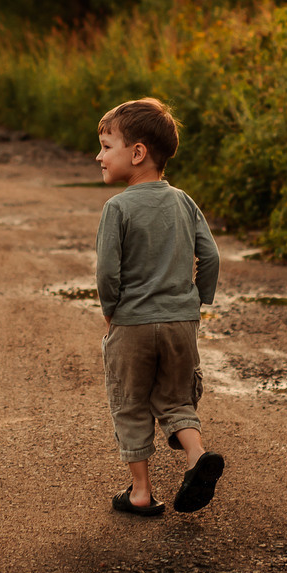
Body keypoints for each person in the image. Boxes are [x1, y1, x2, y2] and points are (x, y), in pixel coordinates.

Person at [94, 97, 223, 516]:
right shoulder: (184, 202)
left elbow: (107, 272)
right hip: (180, 322)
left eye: (107, 146)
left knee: (130, 402)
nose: (99, 155)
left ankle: (141, 493)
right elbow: (212, 257)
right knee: (175, 399)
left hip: (132, 323)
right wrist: (197, 301)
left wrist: (111, 310)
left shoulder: (117, 208)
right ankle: (197, 455)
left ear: (137, 153)